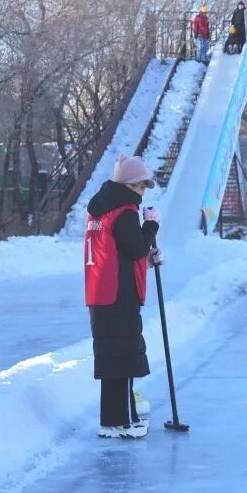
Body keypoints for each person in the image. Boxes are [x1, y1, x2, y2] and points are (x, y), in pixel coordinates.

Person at [84, 154, 161, 439]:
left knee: (113, 359)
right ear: (129, 185)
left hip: (101, 292)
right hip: (118, 294)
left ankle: (114, 419)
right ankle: (119, 423)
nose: (143, 194)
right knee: (122, 358)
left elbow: (121, 252)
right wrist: (151, 226)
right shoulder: (124, 211)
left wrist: (148, 259)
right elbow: (136, 246)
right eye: (142, 187)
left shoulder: (100, 210)